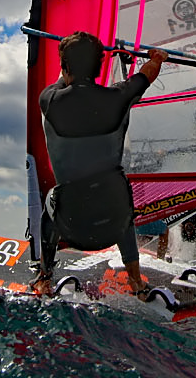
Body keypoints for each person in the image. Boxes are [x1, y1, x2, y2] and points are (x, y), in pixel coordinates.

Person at [32, 31, 167, 296]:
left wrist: (71, 61)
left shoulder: (49, 99)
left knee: (52, 197)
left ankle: (44, 278)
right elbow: (147, 74)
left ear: (66, 66)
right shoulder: (120, 97)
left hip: (72, 226)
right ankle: (136, 281)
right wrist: (157, 58)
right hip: (114, 224)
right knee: (116, 190)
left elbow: (62, 82)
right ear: (100, 66)